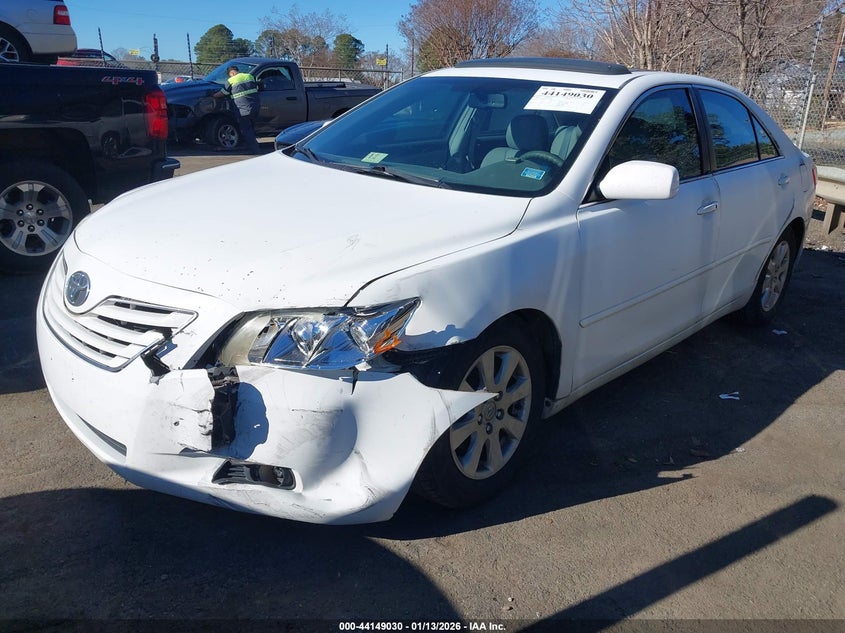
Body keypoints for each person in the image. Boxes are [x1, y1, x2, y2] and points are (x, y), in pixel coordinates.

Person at [213, 65, 261, 154]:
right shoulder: (249, 76)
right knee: (251, 127)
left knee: (246, 128)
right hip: (255, 106)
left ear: (231, 73)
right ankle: (250, 144)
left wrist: (213, 96)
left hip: (243, 109)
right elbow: (257, 88)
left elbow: (223, 93)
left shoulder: (231, 80)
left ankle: (255, 149)